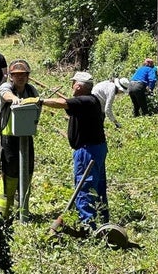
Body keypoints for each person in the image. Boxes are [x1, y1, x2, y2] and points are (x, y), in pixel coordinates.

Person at [40, 71, 108, 230]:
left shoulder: (86, 100)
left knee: (85, 187)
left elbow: (62, 103)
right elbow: (69, 106)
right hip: (96, 148)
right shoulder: (88, 101)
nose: (72, 86)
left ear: (78, 85)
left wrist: (40, 101)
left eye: (73, 84)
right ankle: (103, 221)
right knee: (97, 186)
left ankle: (88, 227)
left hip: (87, 151)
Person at [0, 59, 39, 220]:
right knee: (10, 173)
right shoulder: (8, 87)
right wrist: (14, 99)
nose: (20, 78)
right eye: (16, 75)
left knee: (27, 171)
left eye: (23, 75)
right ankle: (4, 212)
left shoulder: (31, 91)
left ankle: (23, 210)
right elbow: (4, 93)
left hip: (26, 137)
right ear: (11, 77)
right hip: (9, 138)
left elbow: (37, 109)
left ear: (28, 76)